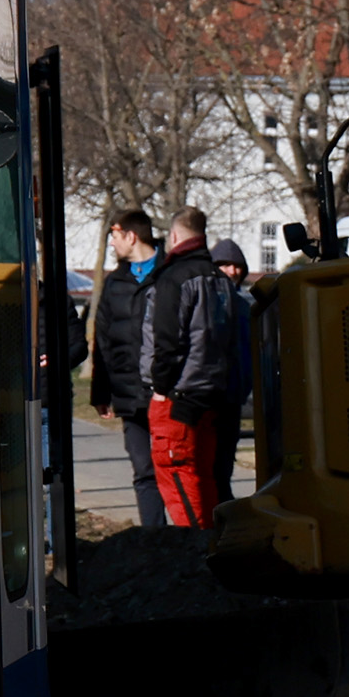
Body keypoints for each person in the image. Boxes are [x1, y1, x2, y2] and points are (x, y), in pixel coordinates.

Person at [144, 209, 244, 529]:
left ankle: (196, 554)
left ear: (174, 236)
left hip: (178, 398)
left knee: (178, 479)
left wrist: (160, 388)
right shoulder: (220, 281)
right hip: (211, 395)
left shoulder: (174, 278)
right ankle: (212, 549)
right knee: (204, 478)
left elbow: (168, 343)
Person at [86, 211, 167, 529]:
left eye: (115, 237)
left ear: (131, 236)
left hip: (165, 393)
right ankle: (154, 540)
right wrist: (100, 392)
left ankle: (188, 544)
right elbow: (102, 341)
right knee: (143, 471)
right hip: (129, 395)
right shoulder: (114, 282)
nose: (113, 245)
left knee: (174, 469)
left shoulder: (169, 275)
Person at [201, 235, 257, 509]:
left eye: (236, 265)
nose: (232, 271)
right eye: (224, 265)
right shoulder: (206, 302)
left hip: (234, 394)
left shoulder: (246, 305)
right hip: (211, 395)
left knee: (224, 461)